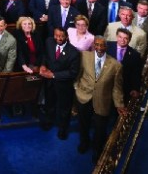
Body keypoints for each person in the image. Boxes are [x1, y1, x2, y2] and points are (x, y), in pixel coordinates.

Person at [75, 36, 126, 164]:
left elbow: (117, 88)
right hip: (84, 97)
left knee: (100, 130)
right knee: (83, 124)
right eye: (97, 44)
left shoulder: (116, 65)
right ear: (93, 45)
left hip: (102, 102)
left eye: (102, 45)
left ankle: (97, 151)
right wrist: (76, 87)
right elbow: (78, 73)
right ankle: (84, 142)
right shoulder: (84, 56)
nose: (99, 47)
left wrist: (119, 104)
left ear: (106, 47)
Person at [40, 27, 81, 140]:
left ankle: (63, 129)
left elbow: (73, 72)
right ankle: (49, 121)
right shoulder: (49, 42)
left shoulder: (73, 52)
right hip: (49, 83)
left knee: (64, 109)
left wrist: (54, 75)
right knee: (49, 104)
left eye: (61, 36)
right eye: (56, 36)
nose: (59, 38)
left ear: (66, 37)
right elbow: (45, 56)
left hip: (64, 85)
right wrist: (43, 65)